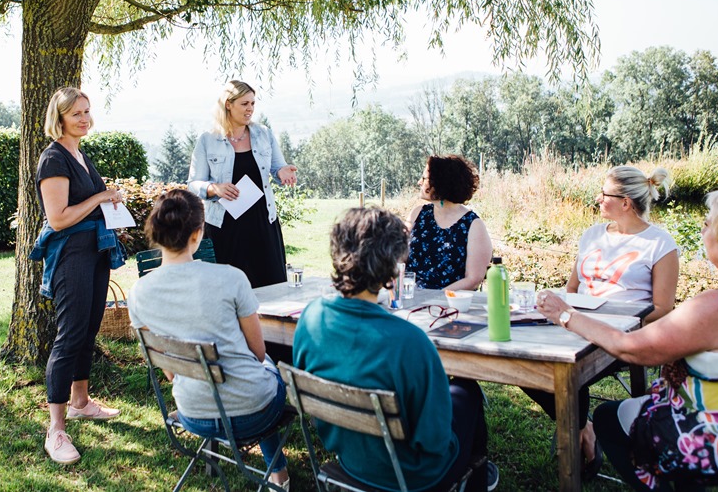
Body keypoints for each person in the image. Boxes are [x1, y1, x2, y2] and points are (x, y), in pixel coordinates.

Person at [536, 186, 718, 490]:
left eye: (707, 223)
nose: (703, 229)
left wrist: (567, 315)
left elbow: (631, 349)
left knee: (607, 417)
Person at [294, 207, 497, 492]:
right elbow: (436, 440)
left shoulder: (311, 316)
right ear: (394, 265)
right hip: (415, 476)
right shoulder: (410, 342)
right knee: (467, 390)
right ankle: (478, 479)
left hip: (349, 458)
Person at [524, 165, 680, 480]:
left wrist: (609, 318)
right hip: (573, 321)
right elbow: (571, 289)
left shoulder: (660, 243)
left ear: (625, 202)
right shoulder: (592, 234)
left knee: (569, 370)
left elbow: (663, 307)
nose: (597, 198)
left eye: (605, 194)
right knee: (525, 359)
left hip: (620, 335)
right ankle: (584, 430)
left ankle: (579, 435)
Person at [129, 189, 291, 489]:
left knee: (257, 375)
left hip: (193, 414)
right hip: (253, 413)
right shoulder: (230, 277)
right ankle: (278, 473)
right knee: (268, 368)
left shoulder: (138, 293)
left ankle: (276, 472)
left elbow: (170, 371)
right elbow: (257, 352)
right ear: (198, 232)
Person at [30, 87, 126, 465]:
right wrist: (99, 198)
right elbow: (58, 218)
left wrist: (109, 196)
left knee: (88, 329)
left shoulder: (79, 154)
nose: (85, 118)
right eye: (76, 113)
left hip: (94, 252)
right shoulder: (53, 158)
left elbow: (89, 205)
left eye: (87, 111)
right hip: (70, 255)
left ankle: (81, 402)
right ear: (60, 117)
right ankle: (55, 430)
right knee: (69, 335)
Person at [187, 80, 297, 288]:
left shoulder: (264, 134)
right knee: (229, 291)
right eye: (244, 104)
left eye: (253, 104)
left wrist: (283, 172)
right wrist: (213, 188)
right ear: (228, 104)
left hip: (263, 223)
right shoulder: (207, 140)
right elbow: (193, 184)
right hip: (224, 226)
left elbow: (277, 167)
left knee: (273, 287)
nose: (250, 109)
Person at [405, 154, 493, 290]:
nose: (419, 182)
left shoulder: (473, 225)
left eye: (424, 178)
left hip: (451, 305)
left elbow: (474, 279)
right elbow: (398, 258)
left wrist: (435, 298)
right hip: (410, 299)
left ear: (439, 182)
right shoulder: (417, 214)